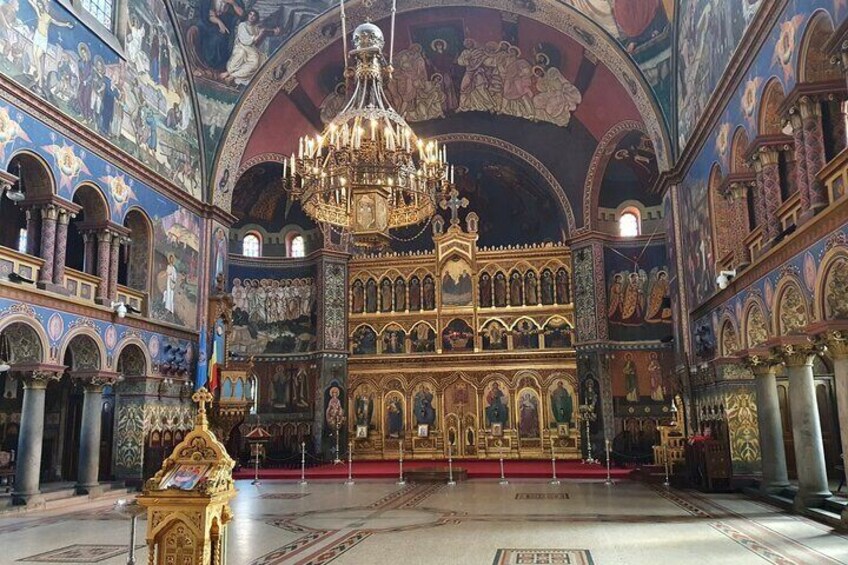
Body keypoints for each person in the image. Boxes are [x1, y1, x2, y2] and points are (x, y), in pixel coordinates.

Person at [220, 10, 280, 86]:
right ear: (247, 15)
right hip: (242, 46)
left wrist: (274, 30)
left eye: (254, 15)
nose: (251, 17)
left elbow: (264, 30)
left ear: (256, 17)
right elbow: (246, 41)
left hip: (251, 49)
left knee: (257, 62)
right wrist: (260, 33)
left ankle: (232, 76)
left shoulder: (255, 27)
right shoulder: (242, 25)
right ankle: (229, 72)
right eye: (250, 14)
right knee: (242, 56)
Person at [25, 0, 73, 88]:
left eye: (40, 5)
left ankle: (39, 78)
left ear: (43, 6)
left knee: (38, 55)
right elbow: (32, 3)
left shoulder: (48, 17)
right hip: (37, 35)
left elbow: (57, 23)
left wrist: (66, 24)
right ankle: (38, 75)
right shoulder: (39, 13)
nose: (39, 7)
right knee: (35, 55)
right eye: (38, 5)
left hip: (43, 38)